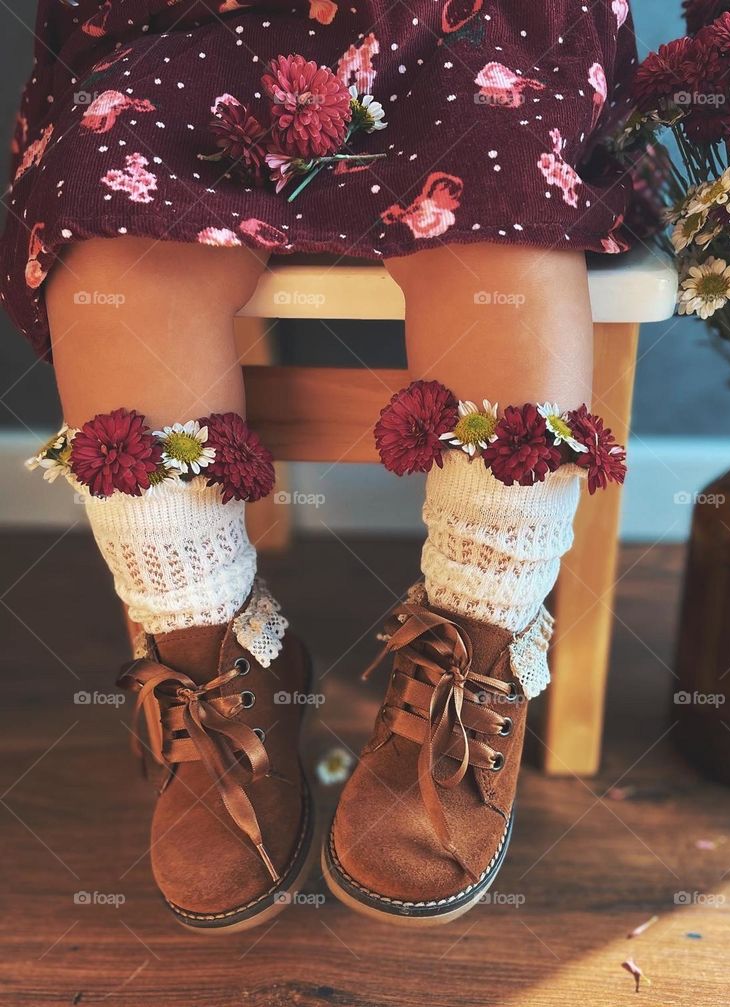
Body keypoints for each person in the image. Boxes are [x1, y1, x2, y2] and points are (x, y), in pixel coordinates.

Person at [5, 0, 644, 930]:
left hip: (469, 23)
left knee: (499, 213)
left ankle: (478, 644)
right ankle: (215, 656)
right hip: (192, 25)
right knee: (117, 241)